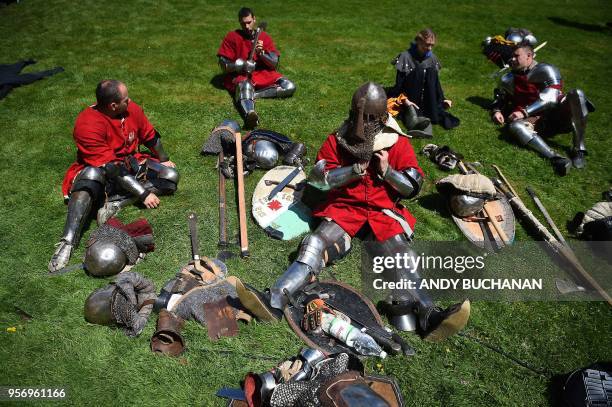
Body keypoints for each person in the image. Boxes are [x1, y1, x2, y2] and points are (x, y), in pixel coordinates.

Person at [270, 82, 470, 342]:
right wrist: (352, 171)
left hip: (381, 210)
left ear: (382, 118)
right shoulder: (337, 139)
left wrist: (387, 171)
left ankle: (428, 313)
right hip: (345, 208)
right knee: (314, 242)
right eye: (358, 117)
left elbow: (413, 186)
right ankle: (274, 298)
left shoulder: (395, 143)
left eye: (369, 119)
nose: (362, 124)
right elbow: (319, 180)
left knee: (402, 254)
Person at [48, 80, 179, 272]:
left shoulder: (130, 109)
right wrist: (143, 193)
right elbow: (112, 168)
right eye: (126, 99)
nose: (130, 101)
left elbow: (149, 134)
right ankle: (67, 243)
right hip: (101, 173)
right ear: (113, 105)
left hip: (130, 164)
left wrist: (164, 159)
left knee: (170, 175)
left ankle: (115, 204)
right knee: (91, 176)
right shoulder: (87, 124)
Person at [491, 44, 594, 176]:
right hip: (534, 122)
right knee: (516, 126)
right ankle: (556, 158)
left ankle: (578, 149)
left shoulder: (546, 70)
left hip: (556, 115)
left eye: (516, 56)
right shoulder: (509, 78)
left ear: (529, 56)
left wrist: (524, 112)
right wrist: (497, 111)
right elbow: (501, 98)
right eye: (512, 56)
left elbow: (551, 97)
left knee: (577, 94)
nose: (512, 59)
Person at [217, 7, 296, 129]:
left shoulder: (263, 36)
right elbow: (223, 64)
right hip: (242, 75)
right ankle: (250, 114)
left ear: (254, 19)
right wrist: (241, 65)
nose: (247, 26)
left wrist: (262, 54)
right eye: (243, 24)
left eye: (249, 22)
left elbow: (274, 63)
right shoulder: (232, 37)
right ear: (239, 22)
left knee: (289, 86)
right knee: (245, 85)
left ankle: (250, 95)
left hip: (263, 73)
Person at [388, 28, 459, 135]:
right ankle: (416, 121)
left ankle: (424, 116)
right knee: (413, 114)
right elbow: (400, 85)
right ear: (418, 42)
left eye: (432, 45)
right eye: (426, 44)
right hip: (409, 98)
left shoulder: (432, 58)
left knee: (436, 116)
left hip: (427, 99)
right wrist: (405, 100)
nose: (429, 48)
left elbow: (435, 83)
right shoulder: (405, 56)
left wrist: (443, 99)